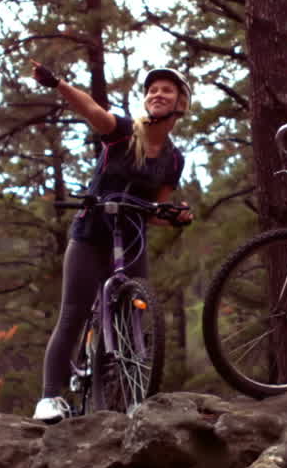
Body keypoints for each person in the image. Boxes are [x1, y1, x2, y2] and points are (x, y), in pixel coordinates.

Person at [28, 61, 194, 423]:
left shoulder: (173, 159)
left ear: (181, 103)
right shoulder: (122, 132)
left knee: (136, 307)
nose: (157, 94)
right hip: (92, 233)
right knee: (72, 313)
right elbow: (90, 109)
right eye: (152, 90)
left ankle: (134, 393)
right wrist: (57, 82)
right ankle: (49, 398)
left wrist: (173, 216)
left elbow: (156, 209)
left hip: (132, 239)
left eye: (167, 90)